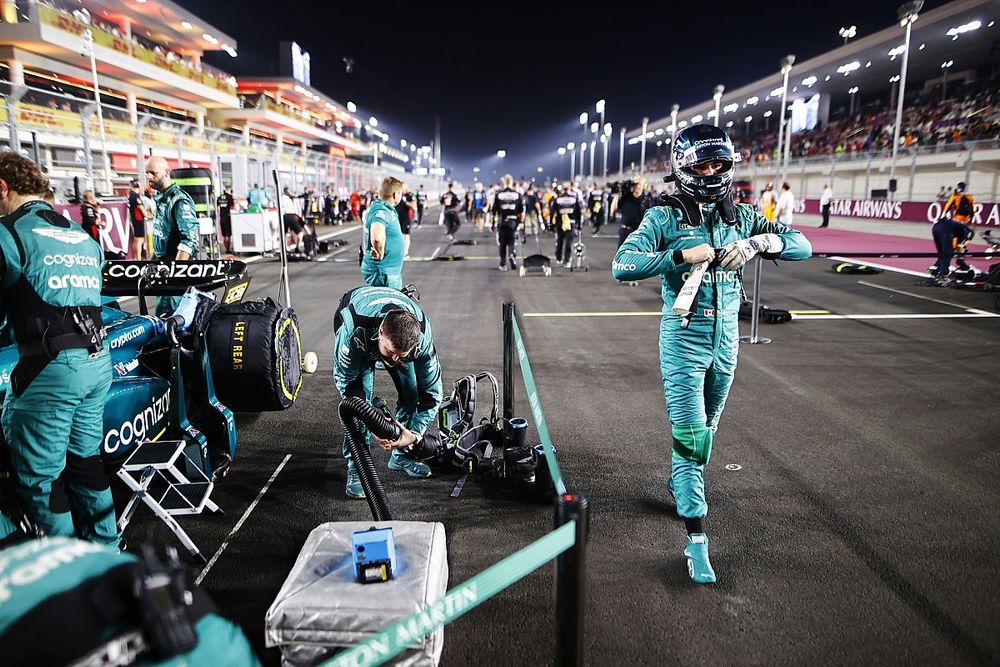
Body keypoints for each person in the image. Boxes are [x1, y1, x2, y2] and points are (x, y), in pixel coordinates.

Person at [611, 125, 811, 584]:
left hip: (727, 343)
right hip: (683, 340)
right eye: (702, 164)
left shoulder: (742, 216)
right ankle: (696, 536)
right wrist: (680, 257)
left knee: (708, 431)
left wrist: (761, 243)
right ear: (683, 167)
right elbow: (623, 265)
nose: (711, 171)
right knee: (691, 436)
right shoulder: (663, 218)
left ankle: (682, 483)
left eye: (719, 163)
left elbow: (803, 244)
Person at [0, 153, 120, 548]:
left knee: (40, 479)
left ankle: (65, 573)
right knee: (85, 463)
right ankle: (106, 554)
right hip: (97, 361)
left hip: (51, 369)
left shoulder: (9, 233)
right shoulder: (80, 235)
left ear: (3, 187)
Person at [332, 287, 443, 498]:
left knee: (414, 394)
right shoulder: (352, 332)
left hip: (390, 333)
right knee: (359, 402)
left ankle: (402, 455)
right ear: (381, 333)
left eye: (402, 355)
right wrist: (372, 422)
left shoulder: (423, 336)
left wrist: (414, 436)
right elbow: (348, 389)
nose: (395, 360)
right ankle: (358, 468)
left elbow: (432, 393)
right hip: (359, 329)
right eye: (392, 353)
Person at [145, 155, 200, 316]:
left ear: (167, 172)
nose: (149, 177)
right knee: (161, 322)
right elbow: (161, 239)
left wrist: (176, 274)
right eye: (147, 173)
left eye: (153, 173)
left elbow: (189, 240)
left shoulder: (179, 200)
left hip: (174, 275)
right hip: (163, 272)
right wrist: (150, 265)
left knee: (176, 324)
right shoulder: (162, 199)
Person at [362, 177, 406, 289]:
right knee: (390, 305)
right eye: (400, 193)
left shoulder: (385, 209)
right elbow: (377, 237)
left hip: (388, 272)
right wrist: (379, 251)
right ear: (395, 194)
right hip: (384, 274)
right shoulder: (380, 210)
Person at [491, 175, 524, 271]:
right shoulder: (517, 195)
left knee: (502, 243)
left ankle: (503, 263)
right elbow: (520, 210)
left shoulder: (499, 195)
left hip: (502, 221)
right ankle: (511, 254)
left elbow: (494, 211)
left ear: (504, 183)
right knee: (511, 242)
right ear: (512, 182)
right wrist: (520, 222)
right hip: (513, 221)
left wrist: (492, 224)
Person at [610, 178, 650, 248]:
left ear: (643, 186)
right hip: (625, 231)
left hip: (639, 232)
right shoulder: (626, 197)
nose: (637, 186)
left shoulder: (646, 200)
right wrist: (616, 196)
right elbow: (613, 210)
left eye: (639, 184)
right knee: (621, 255)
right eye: (635, 184)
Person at [549, 183, 581, 268]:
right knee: (568, 243)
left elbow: (552, 212)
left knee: (560, 241)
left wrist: (551, 224)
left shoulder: (558, 199)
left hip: (560, 223)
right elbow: (579, 213)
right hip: (571, 223)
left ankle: (558, 257)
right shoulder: (574, 199)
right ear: (570, 189)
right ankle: (567, 260)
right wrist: (579, 225)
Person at [280, 187, 305, 253]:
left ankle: (285, 248)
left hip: (283, 216)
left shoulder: (281, 198)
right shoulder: (288, 199)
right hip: (290, 215)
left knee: (284, 233)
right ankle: (297, 247)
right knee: (300, 232)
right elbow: (293, 210)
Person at [127, 181, 148, 259]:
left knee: (136, 239)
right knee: (140, 240)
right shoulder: (135, 196)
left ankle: (136, 257)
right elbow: (141, 207)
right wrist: (147, 215)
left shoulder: (130, 195)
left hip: (134, 219)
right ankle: (138, 258)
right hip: (138, 219)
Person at [395, 186, 416, 260]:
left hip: (406, 218)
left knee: (406, 236)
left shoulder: (409, 196)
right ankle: (399, 252)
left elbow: (414, 206)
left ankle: (405, 253)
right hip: (397, 218)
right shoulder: (396, 195)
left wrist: (406, 202)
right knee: (398, 236)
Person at [216, 184, 234, 254]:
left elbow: (217, 206)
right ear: (229, 190)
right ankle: (228, 249)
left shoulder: (220, 197)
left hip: (221, 217)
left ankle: (226, 248)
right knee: (228, 235)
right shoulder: (230, 197)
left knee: (224, 235)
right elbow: (232, 206)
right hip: (227, 217)